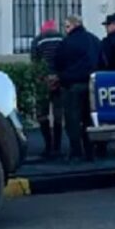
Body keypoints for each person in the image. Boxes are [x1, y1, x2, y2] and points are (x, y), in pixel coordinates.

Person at [52, 14, 103, 161]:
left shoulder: (66, 42)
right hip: (91, 84)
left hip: (72, 85)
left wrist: (62, 77)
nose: (65, 29)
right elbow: (103, 60)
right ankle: (90, 151)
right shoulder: (94, 40)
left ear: (73, 25)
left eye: (67, 26)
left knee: (72, 120)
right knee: (89, 119)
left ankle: (76, 152)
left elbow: (58, 62)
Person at [30, 19, 65, 159]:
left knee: (42, 114)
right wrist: (58, 76)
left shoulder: (37, 40)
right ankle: (57, 147)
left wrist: (42, 78)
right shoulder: (62, 38)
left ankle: (48, 146)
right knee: (58, 114)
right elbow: (65, 59)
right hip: (59, 80)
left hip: (43, 82)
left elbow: (35, 62)